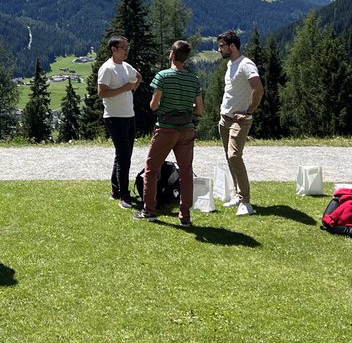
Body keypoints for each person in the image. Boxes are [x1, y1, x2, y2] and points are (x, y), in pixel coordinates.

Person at [135, 40, 203, 227]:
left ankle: (149, 211)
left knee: (151, 169)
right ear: (186, 58)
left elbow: (154, 105)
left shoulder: (162, 76)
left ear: (171, 54)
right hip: (187, 130)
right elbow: (200, 110)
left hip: (166, 129)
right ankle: (185, 216)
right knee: (186, 172)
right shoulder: (194, 80)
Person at [216, 30, 263, 216]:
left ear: (232, 46)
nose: (219, 49)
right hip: (225, 118)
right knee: (230, 157)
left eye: (221, 46)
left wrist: (249, 112)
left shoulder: (246, 64)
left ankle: (246, 202)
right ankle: (237, 194)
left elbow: (258, 89)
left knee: (235, 156)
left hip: (239, 120)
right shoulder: (230, 64)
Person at [97, 35, 141, 208]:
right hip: (114, 118)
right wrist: (125, 89)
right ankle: (124, 196)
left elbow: (139, 77)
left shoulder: (125, 66)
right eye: (123, 48)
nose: (126, 50)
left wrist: (131, 90)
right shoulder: (107, 68)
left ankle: (115, 190)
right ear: (113, 50)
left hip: (129, 116)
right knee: (124, 157)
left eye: (127, 47)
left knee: (124, 155)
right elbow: (101, 92)